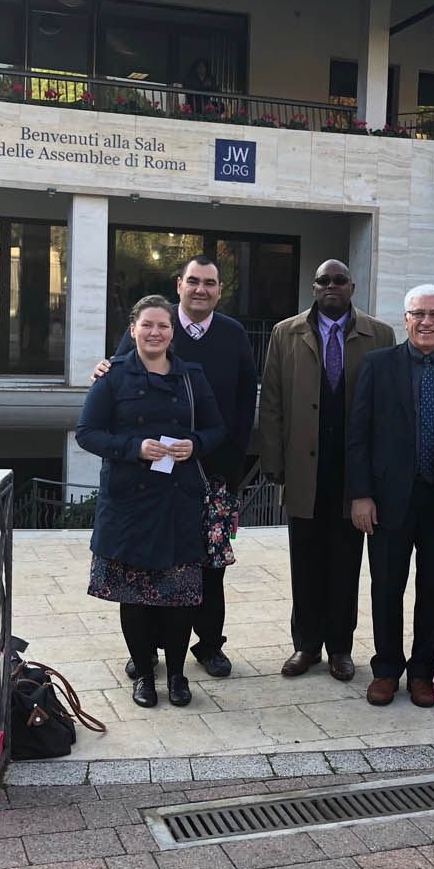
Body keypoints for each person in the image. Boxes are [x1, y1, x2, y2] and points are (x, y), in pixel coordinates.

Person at [94, 256, 258, 680]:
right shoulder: (155, 324)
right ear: (179, 285)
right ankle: (146, 650)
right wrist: (103, 368)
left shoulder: (234, 334)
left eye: (210, 283)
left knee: (210, 567)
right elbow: (118, 374)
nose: (201, 289)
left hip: (213, 472)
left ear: (220, 290)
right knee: (150, 563)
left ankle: (209, 645)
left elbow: (245, 402)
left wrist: (231, 462)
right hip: (154, 476)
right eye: (193, 281)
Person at [76, 295, 226, 710]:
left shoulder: (192, 377)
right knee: (135, 597)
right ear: (133, 329)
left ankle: (177, 676)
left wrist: (195, 444)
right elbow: (87, 433)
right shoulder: (112, 376)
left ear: (172, 332)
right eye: (147, 325)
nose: (155, 332)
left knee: (180, 597)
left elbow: (217, 429)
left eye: (162, 325)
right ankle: (145, 674)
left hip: (179, 501)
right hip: (129, 503)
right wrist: (134, 447)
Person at [259, 260, 395, 681]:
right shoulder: (285, 333)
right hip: (303, 468)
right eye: (323, 281)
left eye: (339, 281)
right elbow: (272, 400)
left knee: (346, 564)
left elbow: (388, 408)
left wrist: (378, 475)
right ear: (314, 287)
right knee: (305, 562)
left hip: (353, 472)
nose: (331, 286)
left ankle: (340, 648)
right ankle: (306, 645)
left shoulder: (380, 335)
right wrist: (273, 462)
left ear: (352, 287)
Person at [347, 285, 434, 708]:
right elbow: (358, 435)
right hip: (388, 500)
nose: (426, 321)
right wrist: (361, 495)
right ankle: (386, 669)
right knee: (386, 587)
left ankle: (423, 671)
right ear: (405, 319)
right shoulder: (378, 364)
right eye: (418, 313)